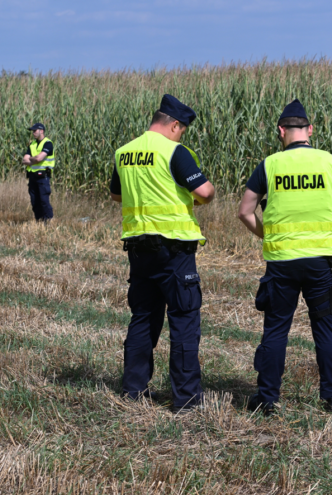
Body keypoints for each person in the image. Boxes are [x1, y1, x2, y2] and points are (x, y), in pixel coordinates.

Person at [238, 99, 332, 415]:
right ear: (310, 130)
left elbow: (245, 211)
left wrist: (269, 236)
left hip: (282, 262)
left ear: (281, 131)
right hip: (322, 262)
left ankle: (267, 399)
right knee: (325, 328)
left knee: (276, 329)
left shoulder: (269, 165)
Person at [110, 94, 215, 413]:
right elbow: (205, 193)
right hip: (174, 249)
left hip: (139, 249)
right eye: (181, 130)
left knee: (143, 318)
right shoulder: (174, 152)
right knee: (183, 320)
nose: (181, 135)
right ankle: (185, 399)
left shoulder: (124, 152)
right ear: (173, 125)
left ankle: (132, 391)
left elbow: (116, 195)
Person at [22, 123, 55, 222]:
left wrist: (32, 159)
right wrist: (35, 159)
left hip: (43, 176)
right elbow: (24, 160)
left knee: (44, 200)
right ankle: (39, 221)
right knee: (34, 201)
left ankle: (48, 221)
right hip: (32, 176)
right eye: (32, 131)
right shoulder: (32, 144)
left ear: (42, 131)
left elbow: (40, 158)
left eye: (35, 130)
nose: (33, 133)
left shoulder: (48, 143)